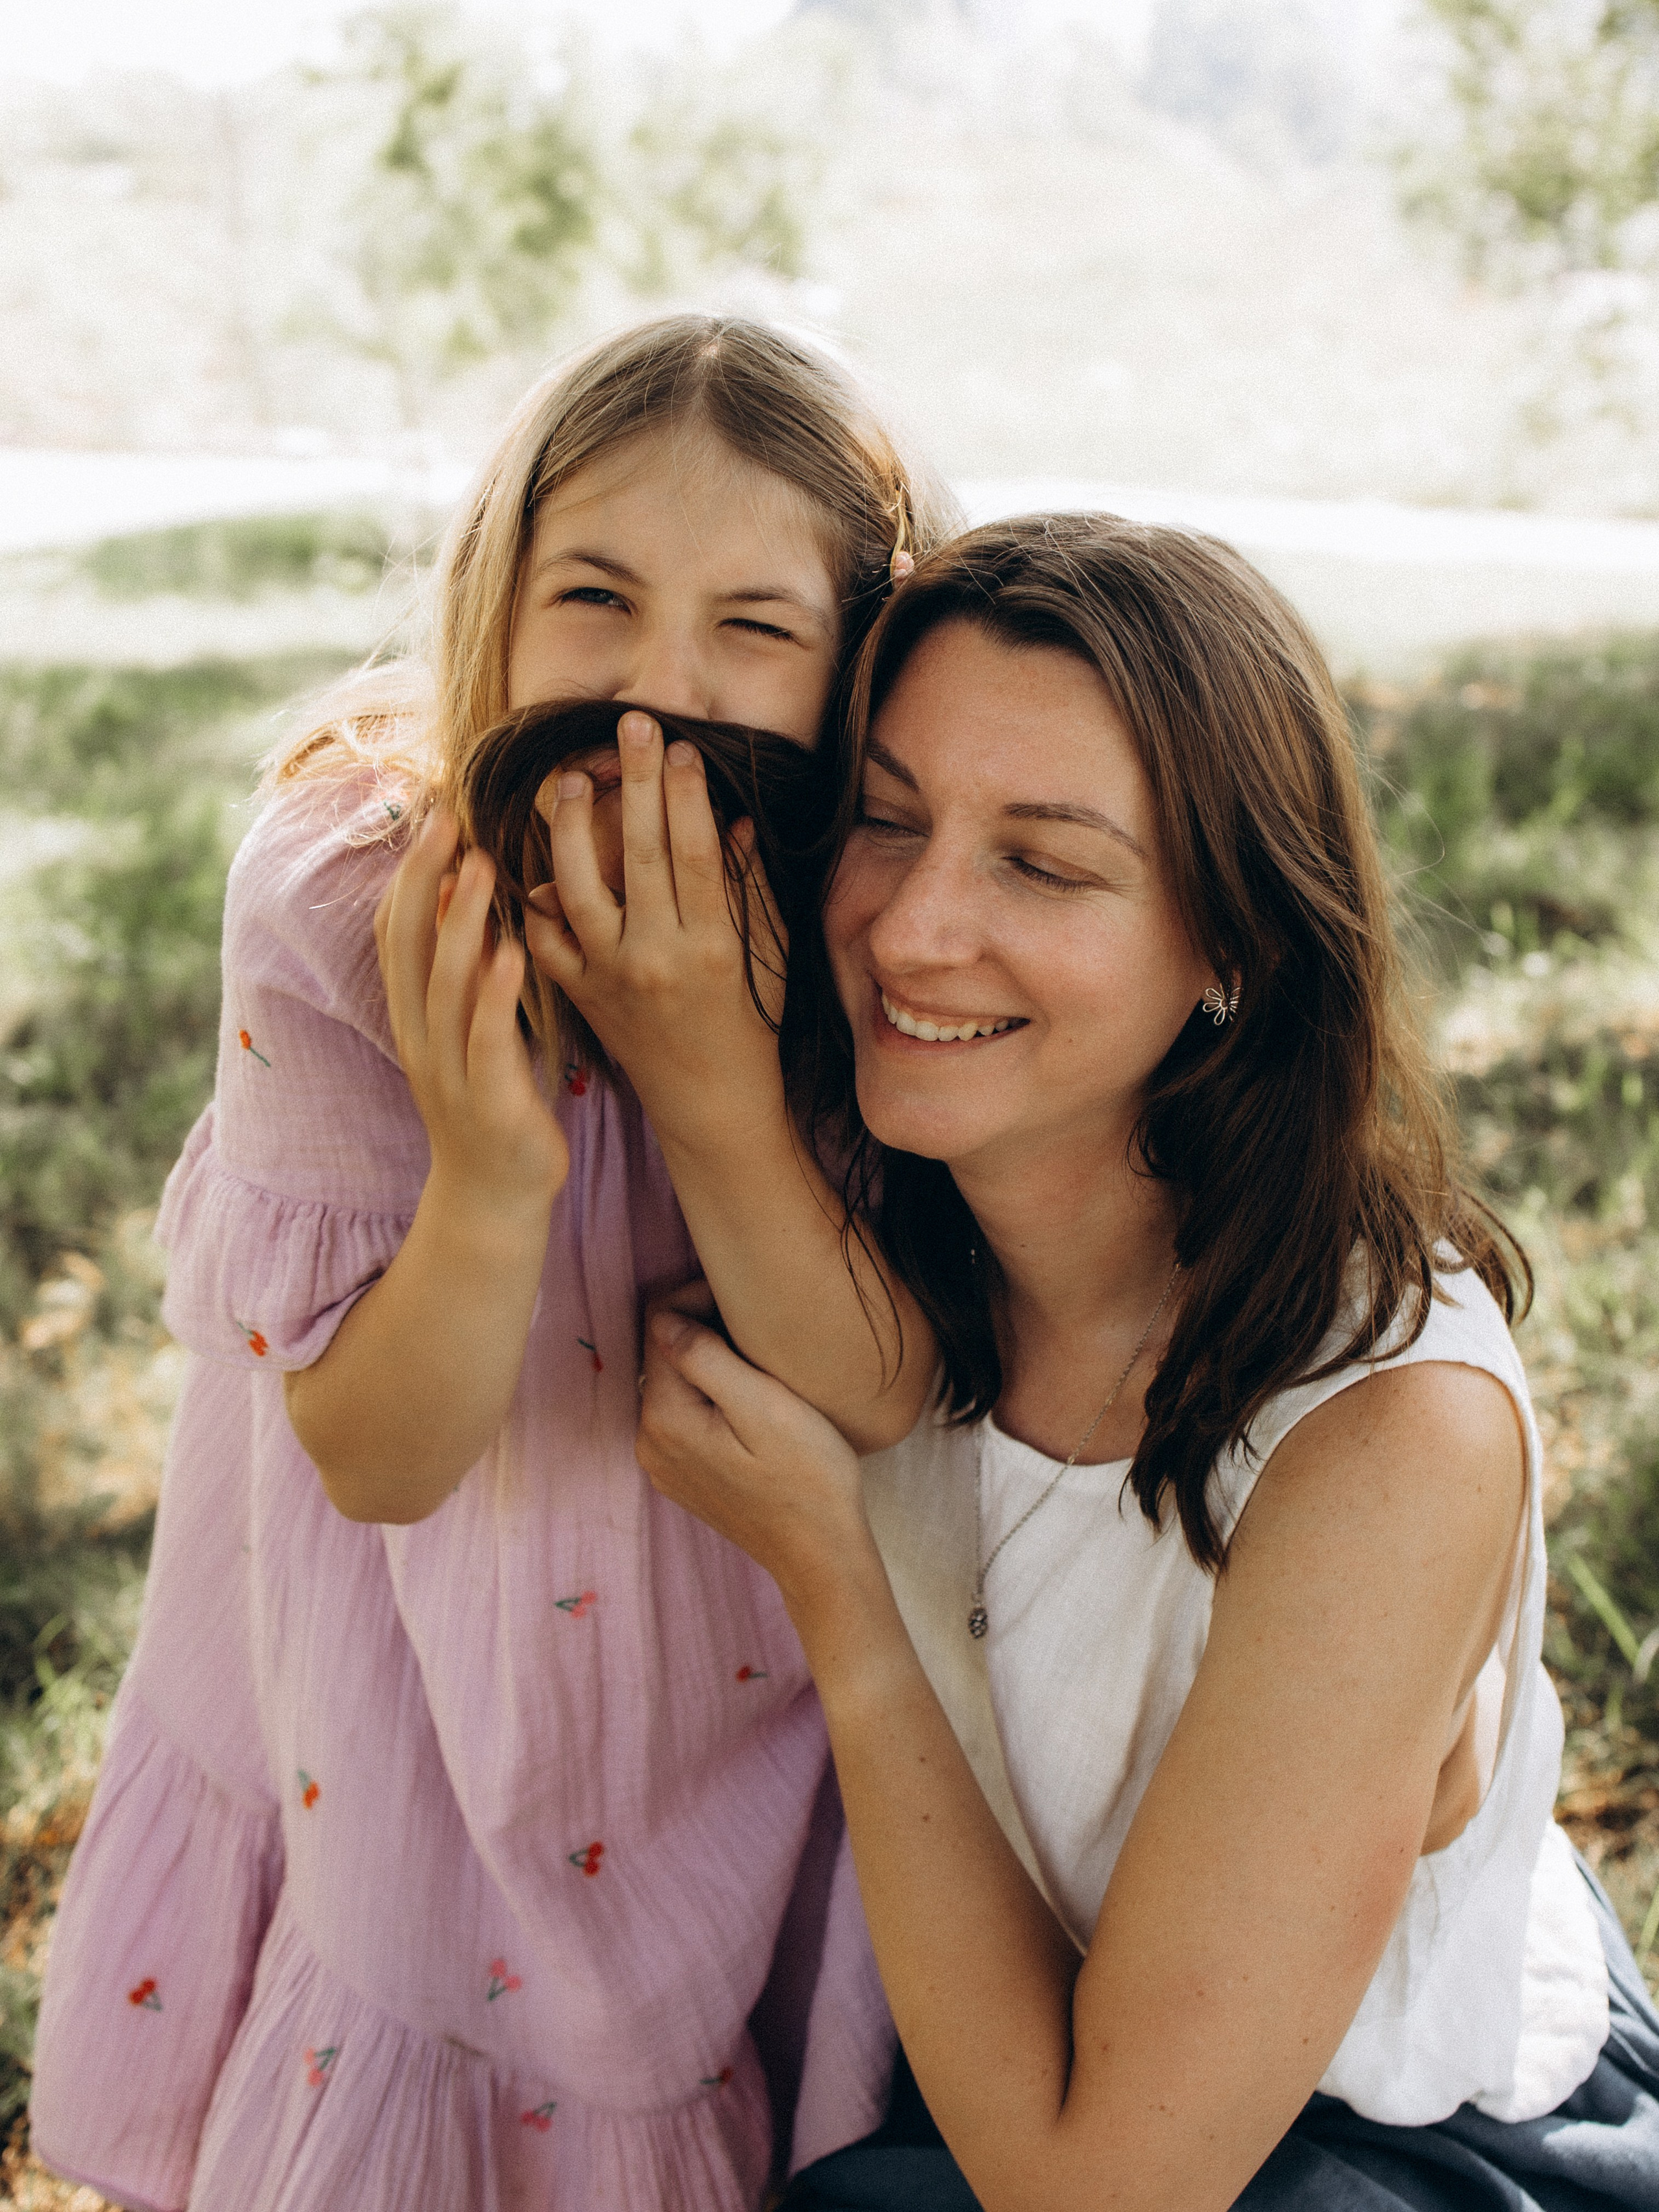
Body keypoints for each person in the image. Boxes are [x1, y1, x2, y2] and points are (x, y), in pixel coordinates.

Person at [30, 314, 957, 2212]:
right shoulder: (347, 899)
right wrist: (491, 1178)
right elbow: (375, 1462)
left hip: (732, 1700)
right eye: (596, 599)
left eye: (755, 629)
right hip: (414, 1720)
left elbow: (872, 1389)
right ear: (495, 597)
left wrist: (715, 1083)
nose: (657, 696)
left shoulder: (876, 919)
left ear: (861, 667)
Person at [635, 514, 1659, 2212]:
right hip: (1009, 2037)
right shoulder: (862, 1222)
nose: (912, 928)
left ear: (1233, 947)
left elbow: (1102, 2189)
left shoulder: (1384, 1430)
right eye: (888, 816)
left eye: (1044, 865)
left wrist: (837, 1587)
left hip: (1346, 2136)